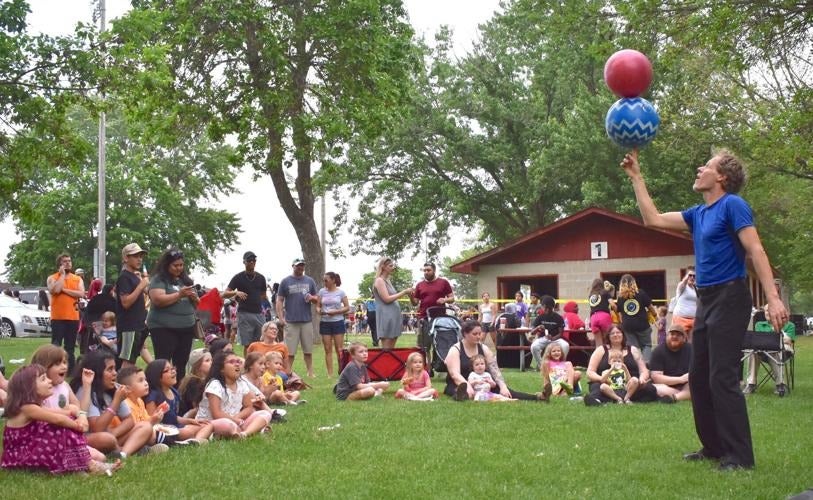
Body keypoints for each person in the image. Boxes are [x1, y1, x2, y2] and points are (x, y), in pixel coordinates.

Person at [622, 148, 787, 470]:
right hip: (706, 300)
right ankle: (713, 448)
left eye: (707, 166)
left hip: (731, 297)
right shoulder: (698, 214)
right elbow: (652, 219)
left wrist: (774, 297)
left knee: (721, 378)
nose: (699, 168)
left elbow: (755, 249)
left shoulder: (733, 205)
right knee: (698, 378)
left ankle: (740, 457)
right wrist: (637, 178)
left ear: (722, 177)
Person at [1, 364, 121, 475]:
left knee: (63, 426)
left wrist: (74, 413)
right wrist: (76, 426)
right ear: (28, 388)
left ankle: (80, 466)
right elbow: (58, 419)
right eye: (43, 379)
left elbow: (62, 413)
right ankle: (88, 465)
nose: (49, 381)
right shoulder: (28, 408)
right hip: (20, 456)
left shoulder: (34, 407)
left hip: (30, 450)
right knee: (60, 428)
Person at [32, 344, 118, 458]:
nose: (64, 367)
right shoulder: (39, 389)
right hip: (50, 437)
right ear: (43, 367)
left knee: (102, 451)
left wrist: (87, 386)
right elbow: (38, 412)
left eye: (65, 362)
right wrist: (69, 412)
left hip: (71, 433)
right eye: (58, 364)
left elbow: (80, 410)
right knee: (105, 441)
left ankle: (114, 451)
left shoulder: (65, 386)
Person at [71, 350, 154, 458]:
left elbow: (129, 420)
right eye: (110, 369)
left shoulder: (114, 389)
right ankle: (132, 448)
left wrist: (113, 433)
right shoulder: (86, 390)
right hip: (89, 438)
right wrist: (116, 402)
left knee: (146, 427)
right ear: (97, 373)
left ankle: (123, 454)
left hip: (111, 436)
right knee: (106, 439)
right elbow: (97, 429)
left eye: (114, 368)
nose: (115, 373)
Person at [445, 320, 548, 402]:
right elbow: (455, 374)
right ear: (465, 334)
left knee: (507, 392)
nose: (478, 336)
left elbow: (495, 370)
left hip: (483, 383)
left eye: (480, 333)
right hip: (459, 384)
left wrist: (502, 386)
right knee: (464, 392)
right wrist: (467, 385)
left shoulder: (484, 348)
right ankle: (460, 395)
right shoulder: (455, 350)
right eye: (474, 334)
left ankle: (539, 397)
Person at [147, 248, 199, 382]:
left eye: (181, 265)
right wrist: (179, 294)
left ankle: (178, 392)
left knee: (181, 363)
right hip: (163, 328)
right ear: (166, 265)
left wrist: (194, 298)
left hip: (186, 328)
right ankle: (160, 390)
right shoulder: (159, 279)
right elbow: (158, 300)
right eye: (175, 265)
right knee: (163, 363)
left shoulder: (186, 281)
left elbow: (197, 304)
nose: (179, 268)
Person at [196, 351, 273, 439]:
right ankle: (252, 430)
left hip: (235, 421)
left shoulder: (241, 383)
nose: (237, 365)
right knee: (227, 424)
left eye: (238, 362)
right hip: (212, 423)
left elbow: (249, 406)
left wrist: (236, 418)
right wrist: (235, 420)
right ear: (221, 369)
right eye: (232, 362)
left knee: (265, 414)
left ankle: (244, 434)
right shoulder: (215, 384)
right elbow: (216, 414)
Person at [144, 360, 213, 444]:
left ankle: (196, 441)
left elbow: (174, 417)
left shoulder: (173, 391)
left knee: (208, 426)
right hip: (162, 429)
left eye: (173, 368)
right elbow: (152, 422)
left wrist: (190, 421)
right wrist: (158, 416)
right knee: (188, 432)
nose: (173, 371)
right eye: (167, 370)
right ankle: (191, 439)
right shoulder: (153, 396)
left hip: (176, 427)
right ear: (157, 376)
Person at [585, 325, 657, 405]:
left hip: (629, 385)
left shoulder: (633, 350)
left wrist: (642, 379)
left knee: (651, 389)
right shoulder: (601, 350)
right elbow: (590, 372)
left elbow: (643, 370)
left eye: (618, 332)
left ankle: (616, 399)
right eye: (612, 333)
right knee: (596, 387)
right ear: (608, 336)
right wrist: (602, 379)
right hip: (606, 384)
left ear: (623, 334)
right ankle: (601, 400)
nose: (616, 335)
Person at [276, 257, 318, 377]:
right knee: (290, 351)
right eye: (298, 265)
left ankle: (310, 372)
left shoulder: (310, 281)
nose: (300, 267)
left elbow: (317, 299)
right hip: (291, 321)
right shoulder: (285, 281)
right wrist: (280, 317)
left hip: (306, 321)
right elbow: (279, 300)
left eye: (302, 265)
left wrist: (312, 298)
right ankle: (288, 372)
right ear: (293, 266)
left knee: (308, 350)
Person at [116, 366, 170, 452]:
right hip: (122, 440)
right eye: (140, 381)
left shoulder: (139, 401)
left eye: (145, 380)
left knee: (156, 430)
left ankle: (146, 449)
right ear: (128, 388)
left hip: (137, 435)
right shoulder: (126, 404)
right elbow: (137, 428)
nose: (146, 383)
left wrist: (156, 413)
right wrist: (152, 421)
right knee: (152, 434)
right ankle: (175, 442)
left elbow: (145, 420)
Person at [224, 251, 268, 357]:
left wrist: (256, 299)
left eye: (254, 260)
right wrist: (236, 292)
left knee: (259, 343)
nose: (252, 262)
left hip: (258, 313)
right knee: (247, 344)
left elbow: (263, 295)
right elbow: (224, 294)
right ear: (244, 262)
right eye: (249, 260)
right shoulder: (238, 277)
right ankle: (248, 368)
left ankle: (258, 365)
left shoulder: (261, 278)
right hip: (244, 313)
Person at [47, 253, 85, 372]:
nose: (68, 263)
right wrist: (62, 276)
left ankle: (70, 370)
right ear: (60, 264)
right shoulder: (53, 278)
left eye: (69, 260)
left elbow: (81, 294)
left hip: (72, 317)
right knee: (56, 345)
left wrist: (63, 290)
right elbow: (55, 290)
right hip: (57, 317)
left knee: (70, 347)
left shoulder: (77, 278)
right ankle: (54, 367)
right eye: (65, 261)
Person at [115, 243, 150, 369]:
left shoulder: (134, 276)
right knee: (127, 363)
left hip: (138, 325)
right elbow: (126, 302)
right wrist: (141, 286)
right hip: (129, 326)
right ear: (125, 258)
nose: (139, 259)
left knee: (132, 360)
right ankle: (122, 387)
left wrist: (144, 285)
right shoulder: (124, 277)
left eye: (140, 256)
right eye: (135, 256)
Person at [371, 257, 414, 350]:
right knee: (386, 350)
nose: (393, 267)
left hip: (394, 316)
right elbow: (386, 299)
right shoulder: (379, 280)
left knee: (392, 349)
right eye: (390, 266)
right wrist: (404, 292)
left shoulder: (388, 280)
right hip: (386, 317)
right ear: (383, 267)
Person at [410, 262, 454, 351]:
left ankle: (437, 364)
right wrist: (410, 296)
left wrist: (445, 300)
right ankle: (424, 364)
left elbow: (452, 298)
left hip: (440, 319)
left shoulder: (443, 282)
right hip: (424, 318)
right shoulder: (419, 285)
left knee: (439, 346)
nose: (426, 272)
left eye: (428, 270)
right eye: (424, 270)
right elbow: (415, 303)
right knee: (422, 347)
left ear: (434, 270)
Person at [617, 274, 657, 363]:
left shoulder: (620, 297)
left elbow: (619, 312)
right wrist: (655, 315)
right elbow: (650, 306)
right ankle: (647, 364)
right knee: (646, 345)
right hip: (642, 324)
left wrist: (622, 323)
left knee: (632, 348)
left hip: (628, 326)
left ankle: (634, 365)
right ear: (634, 283)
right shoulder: (641, 293)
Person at [316, 271, 350, 377]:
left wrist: (335, 312)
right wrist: (319, 311)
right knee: (327, 349)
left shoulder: (341, 292)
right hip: (325, 323)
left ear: (333, 280)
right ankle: (329, 374)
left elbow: (347, 307)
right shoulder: (321, 292)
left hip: (337, 322)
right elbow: (317, 305)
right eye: (324, 280)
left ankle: (341, 372)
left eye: (326, 280)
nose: (324, 282)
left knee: (339, 349)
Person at [650, 324, 693, 403]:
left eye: (678, 335)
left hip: (687, 385)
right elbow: (656, 378)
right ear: (667, 336)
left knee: (695, 384)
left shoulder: (691, 350)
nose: (674, 337)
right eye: (672, 334)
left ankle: (674, 398)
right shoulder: (658, 351)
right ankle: (685, 396)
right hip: (665, 386)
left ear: (684, 338)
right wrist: (681, 379)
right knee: (654, 388)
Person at [529, 295, 570, 370]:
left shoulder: (558, 317)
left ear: (550, 307)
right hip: (543, 338)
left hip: (556, 339)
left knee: (565, 345)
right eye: (545, 307)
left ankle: (559, 365)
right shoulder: (540, 317)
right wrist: (538, 328)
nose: (546, 309)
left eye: (549, 308)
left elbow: (561, 333)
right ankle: (542, 366)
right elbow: (532, 332)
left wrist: (553, 338)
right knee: (534, 346)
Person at [178, 349, 212, 417]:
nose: (211, 362)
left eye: (211, 360)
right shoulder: (194, 381)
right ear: (198, 365)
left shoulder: (207, 379)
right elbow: (197, 407)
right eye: (207, 361)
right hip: (188, 417)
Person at [672, 267, 698, 341]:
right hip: (680, 318)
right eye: (690, 275)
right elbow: (683, 282)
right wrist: (687, 276)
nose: (692, 278)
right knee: (681, 341)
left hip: (693, 319)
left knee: (692, 342)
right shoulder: (682, 286)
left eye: (694, 276)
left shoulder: (695, 288)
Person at [587, 278, 613, 347]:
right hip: (604, 316)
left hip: (593, 318)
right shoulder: (605, 292)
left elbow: (591, 309)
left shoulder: (591, 295)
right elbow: (612, 304)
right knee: (607, 341)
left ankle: (599, 357)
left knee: (598, 344)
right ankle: (607, 357)